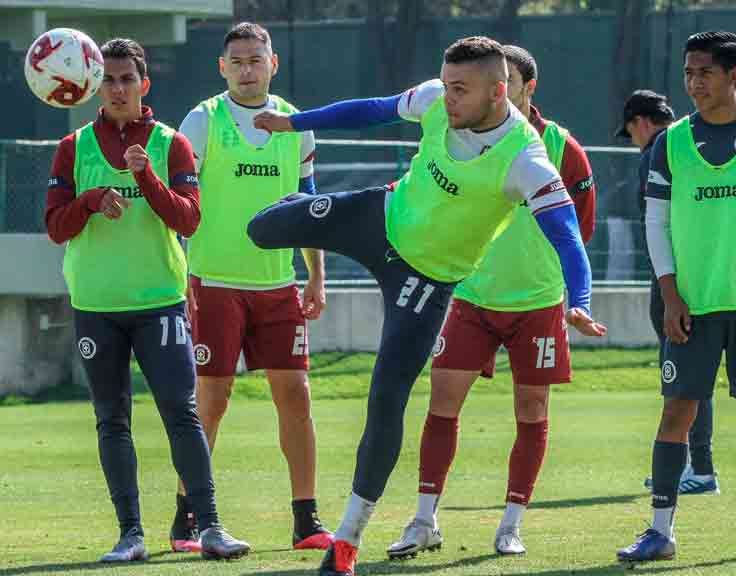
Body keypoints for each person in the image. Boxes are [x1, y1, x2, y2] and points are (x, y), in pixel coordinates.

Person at [248, 36, 605, 576]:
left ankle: (346, 538)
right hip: (378, 217)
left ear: (497, 91)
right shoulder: (437, 97)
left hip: (426, 282)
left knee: (386, 397)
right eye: (448, 85)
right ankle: (304, 203)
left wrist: (578, 301)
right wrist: (291, 125)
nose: (450, 99)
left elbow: (568, 238)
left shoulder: (527, 160)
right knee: (261, 228)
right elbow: (369, 112)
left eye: (462, 90)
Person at [386, 44, 599, 560]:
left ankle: (511, 524)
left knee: (531, 410)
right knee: (442, 403)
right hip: (472, 296)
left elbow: (579, 229)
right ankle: (422, 520)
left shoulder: (557, 146)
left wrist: (577, 297)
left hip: (538, 302)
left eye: (512, 81)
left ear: (524, 87)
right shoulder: (458, 131)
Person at [44, 38, 250, 562]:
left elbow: (188, 218)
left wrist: (144, 176)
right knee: (112, 419)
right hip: (96, 304)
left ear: (144, 85)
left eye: (126, 79)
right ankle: (129, 535)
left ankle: (209, 528)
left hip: (159, 301)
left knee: (182, 414)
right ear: (94, 86)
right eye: (108, 79)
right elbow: (54, 226)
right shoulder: (73, 148)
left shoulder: (170, 143)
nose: (117, 89)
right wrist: (90, 202)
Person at [617, 31, 736, 563]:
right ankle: (660, 532)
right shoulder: (669, 143)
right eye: (688, 73)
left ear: (734, 76)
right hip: (692, 307)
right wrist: (671, 294)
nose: (694, 82)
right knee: (676, 412)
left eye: (704, 72)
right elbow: (655, 222)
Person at [170, 22, 332, 553]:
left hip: (277, 285)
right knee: (210, 402)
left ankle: (306, 521)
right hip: (214, 284)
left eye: (255, 59)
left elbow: (308, 207)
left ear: (273, 63)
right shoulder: (203, 121)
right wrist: (180, 276)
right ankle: (187, 519)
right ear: (222, 67)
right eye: (236, 60)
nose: (246, 68)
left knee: (297, 397)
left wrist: (314, 273)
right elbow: (176, 205)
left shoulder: (297, 125)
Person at [618, 90, 720, 495]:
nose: (634, 140)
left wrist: (669, 282)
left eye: (631, 132)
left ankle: (699, 467)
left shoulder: (656, 152)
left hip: (674, 278)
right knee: (689, 373)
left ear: (641, 122)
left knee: (684, 374)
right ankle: (691, 464)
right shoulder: (692, 143)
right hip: (701, 272)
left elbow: (657, 221)